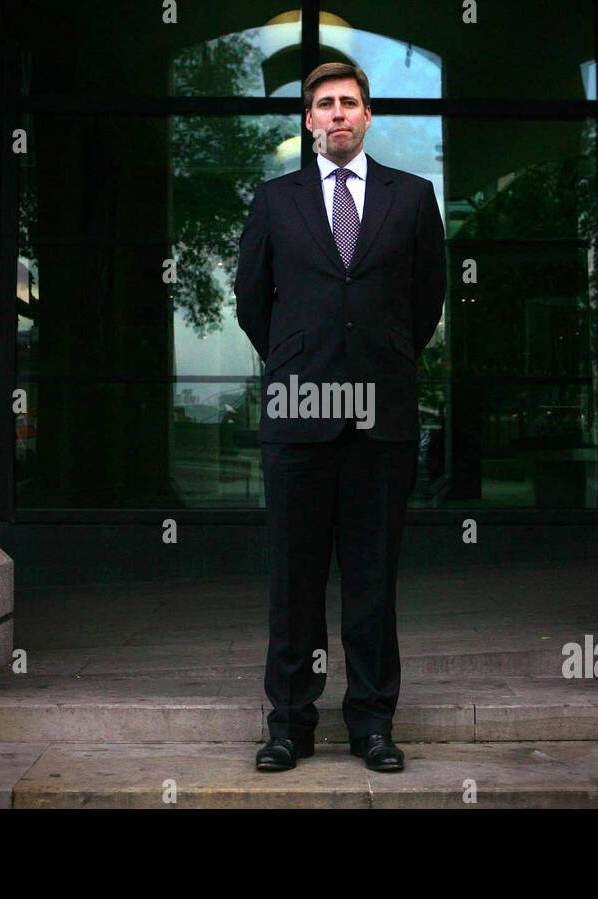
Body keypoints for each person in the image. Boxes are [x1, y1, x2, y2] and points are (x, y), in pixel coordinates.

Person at [234, 63, 447, 772]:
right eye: (324, 104)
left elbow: (427, 302)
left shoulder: (413, 198)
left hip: (380, 421)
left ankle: (373, 724)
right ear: (307, 119)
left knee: (371, 580)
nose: (337, 115)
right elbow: (251, 301)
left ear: (367, 115)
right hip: (298, 417)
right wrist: (297, 361)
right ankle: (288, 723)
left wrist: (381, 359)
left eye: (349, 103)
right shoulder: (273, 200)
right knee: (293, 583)